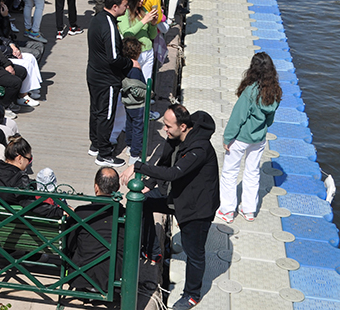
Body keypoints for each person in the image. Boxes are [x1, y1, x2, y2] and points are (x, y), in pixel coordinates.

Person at [120, 104, 219, 310]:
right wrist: (149, 184)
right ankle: (153, 251)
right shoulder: (174, 138)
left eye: (167, 126)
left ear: (183, 126)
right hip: (177, 196)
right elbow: (164, 164)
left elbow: (174, 173)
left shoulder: (199, 149)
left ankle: (192, 295)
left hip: (197, 207)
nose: (164, 129)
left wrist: (137, 166)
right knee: (144, 203)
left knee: (195, 253)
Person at [217, 53, 281, 223]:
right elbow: (270, 119)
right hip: (259, 139)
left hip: (240, 139)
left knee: (230, 172)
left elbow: (237, 118)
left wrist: (227, 138)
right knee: (252, 173)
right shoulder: (274, 92)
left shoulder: (250, 91)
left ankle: (228, 210)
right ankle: (249, 210)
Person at [87, 0, 132, 167]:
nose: (127, 8)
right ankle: (104, 154)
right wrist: (129, 63)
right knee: (106, 114)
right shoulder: (110, 26)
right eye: (125, 5)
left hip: (93, 73)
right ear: (115, 6)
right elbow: (113, 56)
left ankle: (96, 144)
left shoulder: (97, 18)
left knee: (96, 110)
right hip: (107, 78)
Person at [68, 168, 125, 293]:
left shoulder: (81, 212)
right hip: (114, 281)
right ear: (118, 188)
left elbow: (69, 244)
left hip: (81, 277)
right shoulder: (126, 215)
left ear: (96, 187)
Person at [0, 137, 63, 218]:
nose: (29, 163)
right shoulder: (20, 177)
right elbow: (31, 204)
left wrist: (32, 183)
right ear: (20, 158)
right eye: (29, 159)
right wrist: (59, 212)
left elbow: (7, 181)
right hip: (13, 224)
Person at [117, 0, 158, 81]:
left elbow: (152, 36)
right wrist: (144, 21)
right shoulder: (125, 12)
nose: (142, 1)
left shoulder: (143, 10)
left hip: (148, 50)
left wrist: (153, 24)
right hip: (135, 53)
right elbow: (126, 33)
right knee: (136, 82)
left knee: (147, 83)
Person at [120, 38, 148, 165]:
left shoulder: (125, 66)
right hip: (137, 104)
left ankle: (129, 146)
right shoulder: (135, 70)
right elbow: (136, 90)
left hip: (128, 103)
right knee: (138, 128)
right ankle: (135, 155)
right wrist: (148, 93)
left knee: (129, 125)